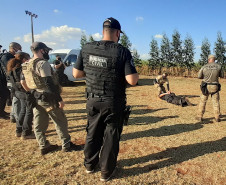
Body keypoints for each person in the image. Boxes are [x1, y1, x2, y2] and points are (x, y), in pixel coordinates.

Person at [73, 17, 139, 182]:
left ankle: (89, 165)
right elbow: (132, 80)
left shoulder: (86, 48)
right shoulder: (122, 51)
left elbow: (76, 74)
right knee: (111, 136)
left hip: (92, 99)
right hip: (113, 102)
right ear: (117, 33)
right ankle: (106, 172)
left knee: (92, 132)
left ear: (103, 31)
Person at [21, 42, 81, 155]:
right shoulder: (42, 64)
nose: (47, 52)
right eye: (46, 50)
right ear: (42, 50)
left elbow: (23, 82)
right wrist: (58, 99)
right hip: (48, 98)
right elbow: (49, 83)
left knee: (39, 123)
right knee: (60, 121)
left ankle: (43, 145)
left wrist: (31, 93)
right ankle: (66, 144)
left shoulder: (27, 64)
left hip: (35, 96)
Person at [7, 53, 35, 139]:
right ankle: (26, 132)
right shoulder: (23, 69)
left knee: (23, 110)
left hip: (18, 92)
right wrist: (29, 92)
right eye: (28, 58)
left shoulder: (12, 69)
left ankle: (19, 130)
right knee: (29, 112)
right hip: (25, 92)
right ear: (23, 59)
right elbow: (24, 82)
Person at [196, 55, 224, 122]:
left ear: (209, 60)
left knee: (203, 101)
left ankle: (200, 116)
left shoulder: (204, 67)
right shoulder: (219, 66)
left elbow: (199, 76)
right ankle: (217, 117)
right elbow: (222, 76)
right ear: (214, 59)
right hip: (215, 86)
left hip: (206, 86)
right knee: (216, 102)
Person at [0, 42, 22, 120]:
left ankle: (2, 111)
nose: (20, 50)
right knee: (3, 96)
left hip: (6, 80)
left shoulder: (10, 56)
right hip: (2, 80)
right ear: (13, 48)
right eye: (19, 49)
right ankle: (1, 113)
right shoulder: (6, 57)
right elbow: (8, 69)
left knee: (5, 95)